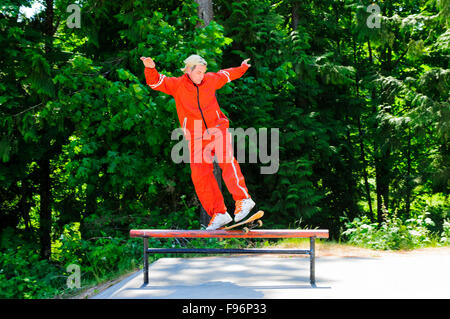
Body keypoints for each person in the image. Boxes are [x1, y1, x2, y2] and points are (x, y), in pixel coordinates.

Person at [140, 54, 255, 230]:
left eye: (203, 72)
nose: (202, 75)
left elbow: (227, 74)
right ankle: (219, 213)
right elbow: (155, 82)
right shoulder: (177, 85)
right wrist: (150, 68)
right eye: (199, 72)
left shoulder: (210, 79)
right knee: (200, 175)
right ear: (189, 70)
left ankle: (243, 199)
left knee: (226, 160)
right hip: (195, 135)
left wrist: (242, 68)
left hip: (217, 128)